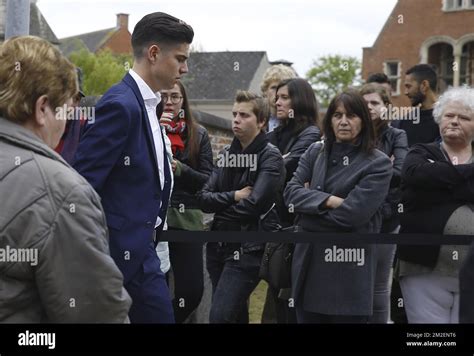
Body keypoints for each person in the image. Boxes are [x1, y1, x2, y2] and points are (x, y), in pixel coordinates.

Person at [0, 36, 131, 322]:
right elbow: (97, 314)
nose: (66, 125)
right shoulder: (61, 194)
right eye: (66, 113)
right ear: (42, 108)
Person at [74, 12, 194, 323]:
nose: (185, 68)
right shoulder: (121, 105)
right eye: (180, 58)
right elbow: (81, 188)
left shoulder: (149, 104)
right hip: (116, 262)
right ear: (154, 53)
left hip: (143, 255)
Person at [284, 90, 392, 323]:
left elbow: (352, 216)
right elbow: (290, 194)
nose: (343, 121)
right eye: (337, 115)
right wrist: (329, 200)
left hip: (348, 274)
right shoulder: (315, 151)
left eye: (351, 116)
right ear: (329, 119)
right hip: (309, 268)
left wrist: (307, 213)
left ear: (363, 120)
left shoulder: (378, 163)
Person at [198, 91, 285, 323]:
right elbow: (203, 198)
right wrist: (234, 195)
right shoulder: (227, 153)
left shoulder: (271, 157)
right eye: (234, 114)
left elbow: (253, 205)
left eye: (244, 115)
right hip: (217, 246)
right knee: (235, 316)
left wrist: (222, 203)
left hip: (249, 248)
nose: (236, 119)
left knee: (219, 316)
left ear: (262, 121)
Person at [396, 86, 474, 323]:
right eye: (449, 116)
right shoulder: (419, 152)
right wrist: (467, 178)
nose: (454, 121)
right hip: (423, 268)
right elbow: (415, 177)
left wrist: (440, 182)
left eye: (464, 117)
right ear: (439, 119)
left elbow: (429, 181)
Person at [263, 77, 321, 323]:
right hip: (274, 223)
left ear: (300, 100)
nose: (277, 102)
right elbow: (262, 165)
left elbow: (282, 166)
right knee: (276, 291)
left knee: (289, 295)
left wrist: (272, 163)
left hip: (295, 224)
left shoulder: (311, 133)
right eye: (277, 97)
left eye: (285, 97)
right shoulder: (276, 133)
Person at [159, 80, 213, 323]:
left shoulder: (198, 134)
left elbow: (209, 181)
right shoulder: (149, 130)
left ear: (184, 101)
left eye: (175, 97)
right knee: (155, 287)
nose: (169, 102)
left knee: (191, 292)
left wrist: (179, 168)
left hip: (187, 219)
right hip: (156, 221)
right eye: (164, 96)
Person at [360, 83, 408, 323]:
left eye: (375, 103)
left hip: (386, 218)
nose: (369, 107)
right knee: (354, 282)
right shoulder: (350, 135)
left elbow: (400, 172)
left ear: (386, 107)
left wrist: (364, 172)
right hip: (353, 218)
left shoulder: (397, 135)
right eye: (364, 103)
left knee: (379, 285)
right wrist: (382, 167)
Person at [392, 64, 440, 146]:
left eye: (408, 86)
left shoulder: (447, 119)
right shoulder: (405, 122)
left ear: (424, 85)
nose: (406, 92)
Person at [260, 64, 297, 133]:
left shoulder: (297, 122)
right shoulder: (256, 119)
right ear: (265, 91)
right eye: (274, 88)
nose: (278, 93)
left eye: (282, 88)